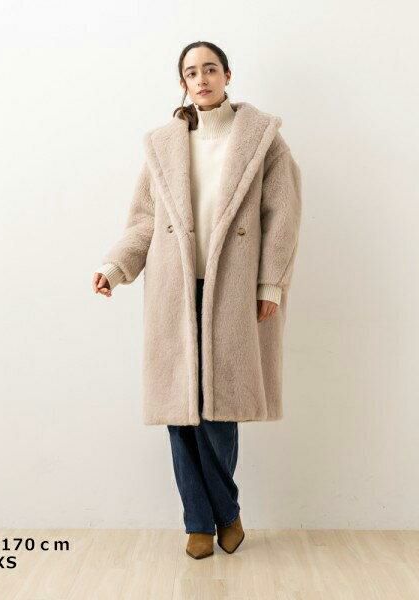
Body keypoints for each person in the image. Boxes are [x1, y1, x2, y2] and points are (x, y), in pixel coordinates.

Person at [92, 41, 302, 559]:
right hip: (175, 289)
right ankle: (199, 524)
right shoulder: (164, 145)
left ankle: (225, 513)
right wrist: (116, 267)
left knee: (218, 412)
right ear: (183, 83)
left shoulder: (263, 141)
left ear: (228, 75)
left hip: (233, 291)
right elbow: (144, 222)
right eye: (191, 72)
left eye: (210, 68)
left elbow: (283, 216)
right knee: (180, 412)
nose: (201, 78)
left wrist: (270, 284)